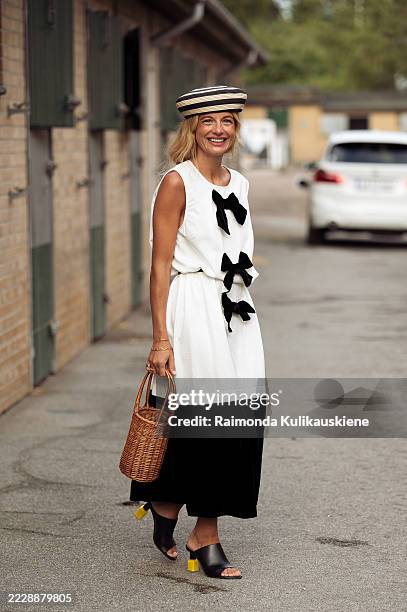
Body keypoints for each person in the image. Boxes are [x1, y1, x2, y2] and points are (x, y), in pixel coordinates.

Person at [130, 85, 266, 580]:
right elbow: (160, 264)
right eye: (208, 121)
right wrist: (159, 337)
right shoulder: (176, 182)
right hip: (192, 307)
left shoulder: (241, 184)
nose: (218, 129)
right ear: (191, 128)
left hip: (237, 309)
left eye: (227, 121)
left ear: (235, 129)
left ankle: (165, 504)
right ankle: (203, 536)